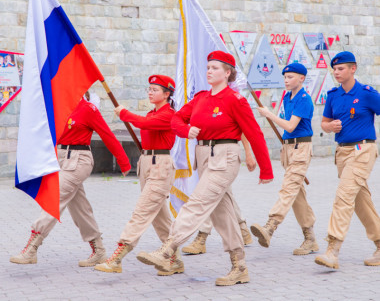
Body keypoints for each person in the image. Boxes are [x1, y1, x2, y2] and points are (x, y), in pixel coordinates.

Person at [135, 51, 273, 286]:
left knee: (197, 202)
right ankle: (239, 266)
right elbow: (176, 119)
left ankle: (168, 248)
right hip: (203, 156)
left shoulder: (235, 100)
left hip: (225, 156)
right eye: (208, 67)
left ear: (228, 73)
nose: (209, 71)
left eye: (216, 68)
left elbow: (254, 133)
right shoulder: (200, 99)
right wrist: (185, 130)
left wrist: (265, 169)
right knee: (223, 214)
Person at [10, 91, 131, 267]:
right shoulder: (58, 108)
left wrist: (124, 162)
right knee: (80, 208)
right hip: (60, 159)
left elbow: (107, 134)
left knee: (55, 199)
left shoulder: (88, 109)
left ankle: (32, 248)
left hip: (79, 160)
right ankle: (99, 250)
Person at [94, 75, 179, 275]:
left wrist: (125, 113)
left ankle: (118, 256)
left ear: (167, 94)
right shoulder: (152, 113)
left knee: (142, 212)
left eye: (155, 90)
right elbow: (144, 123)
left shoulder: (169, 114)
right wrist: (127, 115)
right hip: (147, 164)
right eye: (149, 89)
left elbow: (142, 124)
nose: (150, 92)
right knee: (159, 216)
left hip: (160, 164)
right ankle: (173, 259)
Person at [315, 51, 380, 269]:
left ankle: (332, 250)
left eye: (341, 68)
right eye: (334, 69)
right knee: (360, 201)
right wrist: (329, 126)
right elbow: (324, 122)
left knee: (343, 196)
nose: (336, 72)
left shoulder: (367, 93)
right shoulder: (333, 95)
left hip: (363, 149)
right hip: (342, 153)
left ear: (353, 69)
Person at [250, 63, 318, 255]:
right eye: (285, 77)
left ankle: (270, 226)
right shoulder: (287, 97)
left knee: (288, 188)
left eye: (290, 77)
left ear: (301, 79)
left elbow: (289, 126)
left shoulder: (304, 99)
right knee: (297, 194)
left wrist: (268, 114)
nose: (286, 81)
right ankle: (310, 238)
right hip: (288, 148)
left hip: (300, 147)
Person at [182, 135, 255, 255]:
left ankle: (202, 235)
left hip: (223, 153)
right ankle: (242, 229)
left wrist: (248, 152)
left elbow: (242, 128)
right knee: (223, 193)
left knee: (207, 194)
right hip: (203, 151)